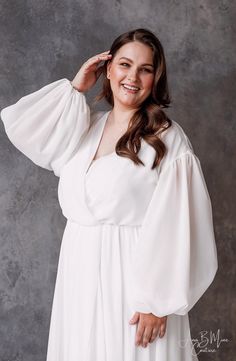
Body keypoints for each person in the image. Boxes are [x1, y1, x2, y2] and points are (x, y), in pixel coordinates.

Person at [0, 28, 218, 361]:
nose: (133, 77)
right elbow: (25, 129)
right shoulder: (85, 127)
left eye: (145, 69)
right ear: (108, 68)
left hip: (135, 284)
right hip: (79, 275)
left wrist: (157, 303)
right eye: (125, 65)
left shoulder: (168, 139)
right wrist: (75, 88)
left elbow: (182, 225)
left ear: (155, 79)